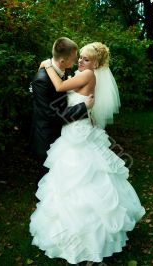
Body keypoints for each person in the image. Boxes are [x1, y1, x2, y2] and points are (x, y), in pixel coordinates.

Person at [29, 42, 145, 265]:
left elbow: (61, 87)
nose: (81, 62)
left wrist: (48, 66)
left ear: (96, 63)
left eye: (86, 59)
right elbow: (68, 90)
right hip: (74, 128)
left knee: (81, 176)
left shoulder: (88, 74)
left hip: (77, 133)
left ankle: (88, 238)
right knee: (71, 177)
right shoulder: (85, 74)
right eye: (80, 57)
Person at [29, 37, 94, 178]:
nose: (77, 60)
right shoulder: (42, 80)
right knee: (49, 180)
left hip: (65, 133)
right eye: (74, 57)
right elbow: (52, 116)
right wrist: (83, 107)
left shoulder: (64, 69)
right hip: (47, 137)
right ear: (63, 61)